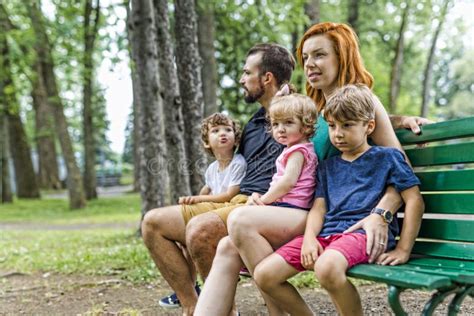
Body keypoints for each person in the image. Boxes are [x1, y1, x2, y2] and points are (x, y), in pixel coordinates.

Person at [194, 22, 429, 315]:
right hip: (306, 211)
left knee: (240, 221)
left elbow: (399, 170)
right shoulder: (319, 108)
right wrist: (398, 118)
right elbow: (345, 121)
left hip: (330, 216)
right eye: (305, 57)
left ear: (341, 57)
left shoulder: (359, 96)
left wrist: (381, 213)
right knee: (229, 246)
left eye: (319, 55)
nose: (310, 64)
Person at [141, 43, 296, 315]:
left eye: (247, 73)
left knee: (200, 230)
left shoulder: (298, 114)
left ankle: (225, 311)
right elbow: (234, 167)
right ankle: (193, 306)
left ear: (267, 78)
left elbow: (343, 120)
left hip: (266, 207)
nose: (241, 79)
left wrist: (395, 119)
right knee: (153, 222)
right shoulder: (254, 123)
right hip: (234, 201)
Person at [253, 84, 425, 315]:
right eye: (332, 126)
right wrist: (309, 239)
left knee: (326, 267)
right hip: (326, 234)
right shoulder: (327, 166)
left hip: (363, 234)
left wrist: (404, 248)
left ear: (369, 126)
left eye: (347, 125)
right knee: (264, 274)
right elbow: (319, 207)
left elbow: (414, 199)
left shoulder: (387, 158)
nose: (338, 134)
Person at [158, 112, 246, 308]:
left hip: (226, 211)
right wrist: (192, 203)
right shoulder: (212, 168)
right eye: (215, 131)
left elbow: (228, 195)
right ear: (207, 143)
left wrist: (198, 199)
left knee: (197, 234)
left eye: (228, 130)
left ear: (235, 138)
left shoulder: (238, 163)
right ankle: (191, 287)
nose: (222, 134)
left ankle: (217, 296)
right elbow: (207, 189)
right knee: (184, 240)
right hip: (213, 209)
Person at [252, 91, 318, 210]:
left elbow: (288, 182)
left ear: (306, 126)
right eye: (275, 124)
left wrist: (263, 200)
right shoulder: (299, 148)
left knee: (244, 216)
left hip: (290, 204)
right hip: (287, 203)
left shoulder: (298, 151)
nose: (280, 129)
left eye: (288, 122)